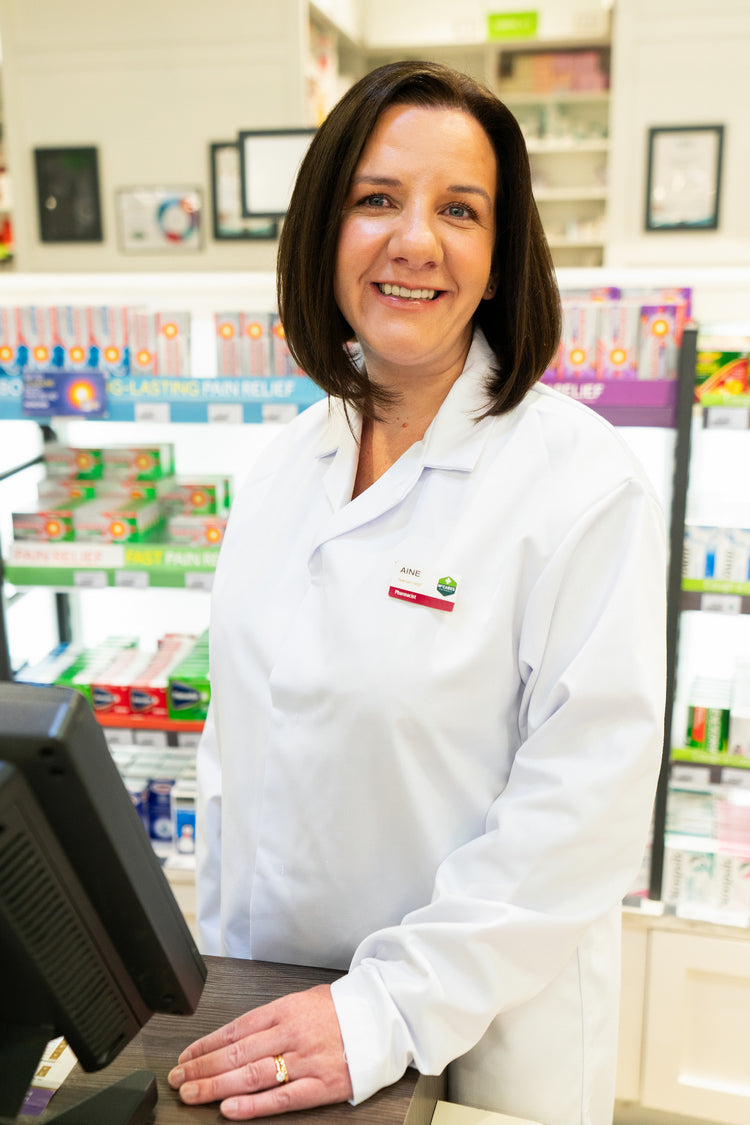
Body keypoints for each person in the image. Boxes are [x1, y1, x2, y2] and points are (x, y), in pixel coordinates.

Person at [167, 61, 667, 1125]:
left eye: (460, 210)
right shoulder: (283, 467)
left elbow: (584, 810)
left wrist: (382, 1011)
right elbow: (238, 760)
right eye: (377, 199)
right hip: (271, 1024)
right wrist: (228, 978)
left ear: (499, 258)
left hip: (477, 1047)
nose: (415, 241)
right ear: (325, 230)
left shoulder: (581, 483)